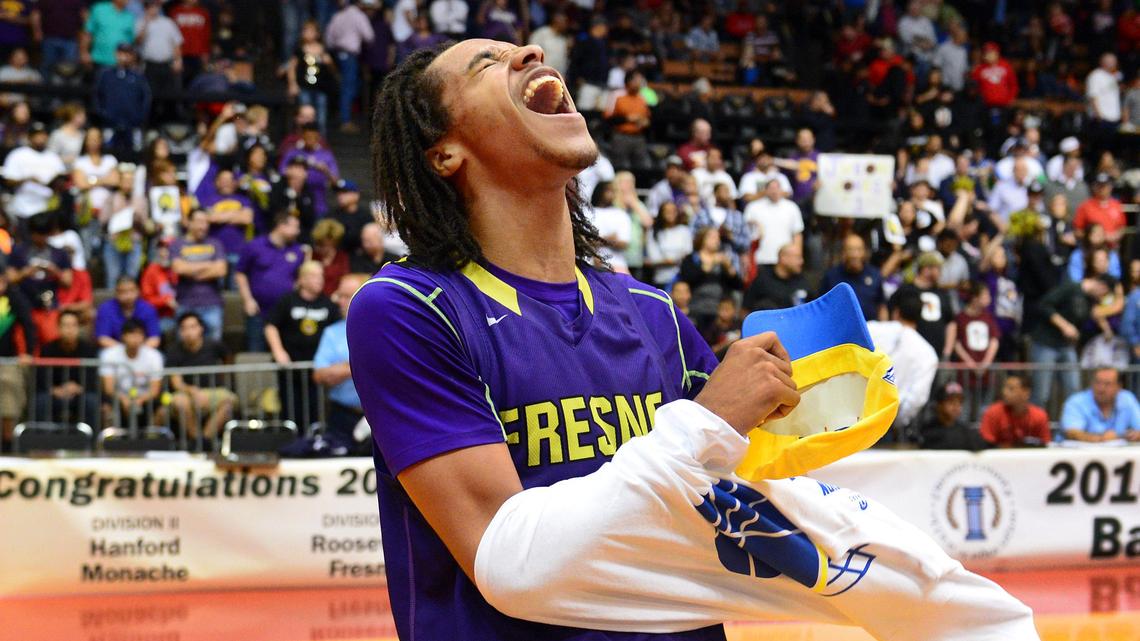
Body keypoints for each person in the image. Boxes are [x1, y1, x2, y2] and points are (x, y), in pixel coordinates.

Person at [352, 43, 1036, 640]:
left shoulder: (652, 314)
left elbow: (749, 491)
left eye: (521, 49)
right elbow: (513, 559)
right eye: (486, 64)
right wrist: (708, 420)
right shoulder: (408, 309)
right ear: (444, 151)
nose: (527, 56)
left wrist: (809, 401)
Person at [266, 261, 339, 430]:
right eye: (314, 276)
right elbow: (271, 325)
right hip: (290, 368)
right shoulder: (288, 300)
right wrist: (278, 351)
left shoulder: (327, 304)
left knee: (315, 410)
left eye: (321, 276)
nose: (319, 280)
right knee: (291, 410)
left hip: (316, 369)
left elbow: (338, 331)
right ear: (302, 279)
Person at [1029, 276, 1112, 407]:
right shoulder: (1071, 288)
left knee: (1073, 389)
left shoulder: (1090, 300)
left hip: (1067, 346)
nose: (1101, 297)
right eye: (1104, 293)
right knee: (1041, 393)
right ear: (1100, 285)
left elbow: (1089, 318)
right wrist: (1064, 325)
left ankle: (1071, 425)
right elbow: (1044, 305)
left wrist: (1105, 327)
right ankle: (1036, 426)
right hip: (1046, 343)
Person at [868, 289, 938, 439]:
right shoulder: (927, 352)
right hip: (887, 419)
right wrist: (898, 420)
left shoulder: (871, 329)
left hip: (856, 411)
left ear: (896, 312)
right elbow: (918, 397)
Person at [313, 272, 370, 451]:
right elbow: (319, 374)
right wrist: (360, 366)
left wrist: (343, 368)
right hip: (343, 416)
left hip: (380, 415)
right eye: (340, 295)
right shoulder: (332, 333)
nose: (338, 301)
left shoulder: (384, 327)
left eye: (346, 296)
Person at [235, 212, 305, 353]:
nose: (298, 232)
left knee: (286, 352)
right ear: (281, 225)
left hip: (286, 314)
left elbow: (300, 279)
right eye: (295, 227)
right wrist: (247, 299)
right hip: (259, 311)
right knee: (256, 353)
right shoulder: (255, 246)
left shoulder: (297, 251)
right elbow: (240, 273)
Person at [166, 312, 235, 450]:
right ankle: (197, 440)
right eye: (184, 328)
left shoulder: (215, 345)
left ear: (201, 329)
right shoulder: (174, 350)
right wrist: (191, 390)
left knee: (228, 402)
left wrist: (222, 378)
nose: (188, 332)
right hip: (186, 392)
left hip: (214, 391)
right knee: (180, 402)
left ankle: (205, 441)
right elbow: (176, 382)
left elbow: (228, 359)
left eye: (192, 327)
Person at [6, 212, 72, 344]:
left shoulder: (59, 254)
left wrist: (55, 272)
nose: (40, 238)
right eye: (37, 234)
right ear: (31, 233)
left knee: (50, 341)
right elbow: (10, 278)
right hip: (24, 307)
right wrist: (25, 272)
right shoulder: (19, 252)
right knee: (25, 344)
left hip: (49, 307)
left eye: (44, 234)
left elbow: (68, 282)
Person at [35, 310, 100, 426]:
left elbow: (92, 378)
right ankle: (43, 440)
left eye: (73, 325)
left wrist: (78, 388)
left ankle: (90, 442)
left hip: (79, 394)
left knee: (91, 401)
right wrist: (55, 390)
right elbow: (41, 378)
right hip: (55, 394)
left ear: (79, 328)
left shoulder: (89, 349)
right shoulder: (47, 349)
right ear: (58, 328)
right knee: (41, 401)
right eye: (65, 325)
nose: (70, 330)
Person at [170, 209, 227, 340]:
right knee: (185, 349)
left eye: (206, 222)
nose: (203, 226)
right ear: (189, 223)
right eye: (199, 222)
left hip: (212, 304)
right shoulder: (177, 244)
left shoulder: (215, 244)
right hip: (185, 304)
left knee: (212, 348)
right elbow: (178, 268)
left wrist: (190, 269)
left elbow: (221, 270)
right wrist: (208, 264)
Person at [99, 318, 164, 429]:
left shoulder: (154, 355)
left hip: (145, 399)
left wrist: (140, 400)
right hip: (118, 397)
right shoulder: (109, 354)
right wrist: (124, 399)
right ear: (123, 336)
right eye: (131, 334)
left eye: (139, 334)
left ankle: (150, 439)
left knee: (163, 410)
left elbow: (154, 390)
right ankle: (111, 443)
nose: (135, 338)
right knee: (106, 408)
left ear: (144, 336)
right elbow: (109, 388)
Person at [92, 44, 151, 158]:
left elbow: (146, 98)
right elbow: (97, 96)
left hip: (133, 125)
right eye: (121, 53)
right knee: (107, 154)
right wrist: (104, 114)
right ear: (116, 54)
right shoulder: (106, 75)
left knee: (136, 154)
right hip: (109, 123)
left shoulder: (138, 76)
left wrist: (139, 117)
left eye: (128, 54)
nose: (124, 57)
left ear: (132, 56)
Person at [325, 0, 375, 132]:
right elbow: (369, 36)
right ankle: (345, 121)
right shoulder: (358, 15)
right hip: (350, 56)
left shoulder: (337, 15)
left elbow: (329, 39)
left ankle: (342, 114)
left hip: (337, 54)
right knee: (348, 87)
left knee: (345, 85)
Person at [1, 121, 65, 222]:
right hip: (22, 207)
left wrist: (53, 183)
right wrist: (28, 179)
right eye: (37, 135)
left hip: (47, 208)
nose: (40, 138)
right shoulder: (18, 154)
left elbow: (62, 179)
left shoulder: (53, 157)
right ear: (29, 137)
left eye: (43, 135)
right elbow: (8, 180)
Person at [894, 252, 954, 358]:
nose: (940, 273)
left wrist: (947, 351)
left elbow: (951, 322)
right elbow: (895, 317)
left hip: (937, 354)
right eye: (938, 268)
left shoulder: (942, 293)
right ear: (926, 269)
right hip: (910, 352)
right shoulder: (906, 290)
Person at [1060, 368, 1140, 443]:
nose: (1101, 389)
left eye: (1107, 384)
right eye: (1097, 382)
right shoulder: (1076, 401)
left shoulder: (1127, 398)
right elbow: (1071, 433)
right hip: (1079, 455)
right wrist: (1101, 439)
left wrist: (1136, 435)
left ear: (1119, 387)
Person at [818, 234, 886, 321]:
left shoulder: (875, 275)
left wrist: (883, 327)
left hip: (870, 328)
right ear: (843, 252)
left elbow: (881, 306)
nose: (854, 255)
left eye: (858, 249)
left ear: (864, 252)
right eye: (850, 249)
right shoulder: (831, 276)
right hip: (841, 329)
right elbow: (822, 307)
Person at [743, 178, 803, 268]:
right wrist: (746, 255)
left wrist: (797, 256)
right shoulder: (753, 207)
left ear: (781, 190)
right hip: (759, 258)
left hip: (784, 259)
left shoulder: (792, 207)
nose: (774, 191)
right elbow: (745, 234)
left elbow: (797, 234)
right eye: (771, 188)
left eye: (777, 188)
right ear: (765, 190)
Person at [979, 374, 1051, 448]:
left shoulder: (1039, 416)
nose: (1004, 392)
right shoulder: (993, 412)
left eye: (1011, 389)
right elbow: (986, 444)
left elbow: (1044, 445)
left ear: (1026, 392)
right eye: (1004, 388)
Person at [915, 381, 988, 451]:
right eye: (951, 401)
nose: (956, 406)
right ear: (939, 404)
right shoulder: (928, 430)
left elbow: (980, 444)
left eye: (960, 402)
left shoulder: (964, 430)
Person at [95, 276, 162, 349]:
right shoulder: (105, 309)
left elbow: (154, 339)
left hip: (142, 351)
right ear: (116, 293)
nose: (128, 296)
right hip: (115, 351)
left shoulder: (148, 309)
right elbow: (103, 338)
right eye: (123, 292)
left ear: (138, 291)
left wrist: (138, 353)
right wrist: (125, 352)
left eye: (131, 291)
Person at [604, 71, 651, 172]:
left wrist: (645, 122)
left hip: (638, 137)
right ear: (629, 81)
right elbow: (608, 118)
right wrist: (627, 118)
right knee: (620, 167)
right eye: (638, 80)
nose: (640, 83)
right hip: (621, 136)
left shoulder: (642, 97)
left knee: (643, 167)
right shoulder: (617, 95)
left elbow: (647, 117)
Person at [742, 243, 807, 312]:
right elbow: (745, 309)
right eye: (798, 257)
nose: (802, 262)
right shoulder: (762, 279)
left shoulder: (801, 281)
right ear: (784, 258)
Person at [81, 0, 135, 69]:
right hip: (98, 60)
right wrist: (84, 53)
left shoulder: (130, 16)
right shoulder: (99, 9)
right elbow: (87, 33)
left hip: (120, 64)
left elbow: (130, 42)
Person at [1074, 173, 1126, 246]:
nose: (1102, 188)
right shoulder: (1085, 206)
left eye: (1105, 185)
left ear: (1110, 187)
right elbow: (1077, 231)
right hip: (1092, 249)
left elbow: (1122, 227)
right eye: (1099, 186)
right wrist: (1095, 236)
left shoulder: (1116, 205)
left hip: (1112, 248)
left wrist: (1116, 235)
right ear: (1094, 187)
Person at [329, 179, 369, 254]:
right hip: (338, 257)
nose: (340, 196)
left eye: (344, 192)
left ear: (356, 195)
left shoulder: (365, 216)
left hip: (360, 258)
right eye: (338, 193)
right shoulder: (331, 216)